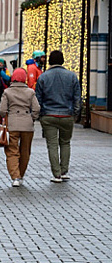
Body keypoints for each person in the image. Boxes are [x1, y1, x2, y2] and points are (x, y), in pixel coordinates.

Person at [35, 50, 81, 183]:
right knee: (65, 143)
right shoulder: (72, 76)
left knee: (52, 145)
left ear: (49, 61)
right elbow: (77, 97)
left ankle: (56, 174)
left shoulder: (43, 77)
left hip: (49, 115)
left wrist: (40, 114)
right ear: (62, 60)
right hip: (67, 115)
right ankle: (64, 170)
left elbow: (38, 98)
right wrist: (75, 113)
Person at [0, 68, 40, 187]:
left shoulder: (7, 92)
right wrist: (32, 118)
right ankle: (21, 175)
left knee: (12, 151)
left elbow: (2, 110)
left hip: (12, 124)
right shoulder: (30, 92)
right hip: (27, 125)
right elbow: (37, 108)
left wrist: (6, 116)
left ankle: (15, 176)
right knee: (25, 151)